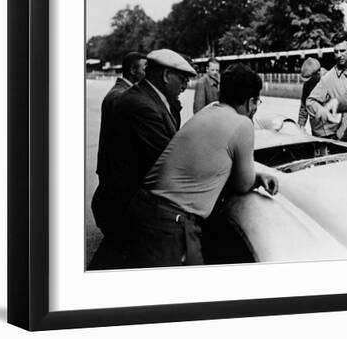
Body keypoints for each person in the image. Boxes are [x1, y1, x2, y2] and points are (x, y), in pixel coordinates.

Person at [126, 63, 279, 268]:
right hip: (171, 223)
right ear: (251, 102)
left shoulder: (209, 109)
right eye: (257, 102)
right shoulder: (243, 124)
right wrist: (256, 178)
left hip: (142, 208)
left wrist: (257, 177)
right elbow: (242, 184)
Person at [89, 49, 197, 269]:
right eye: (182, 79)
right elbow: (170, 159)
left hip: (129, 210)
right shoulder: (141, 105)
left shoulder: (150, 99)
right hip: (127, 214)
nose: (185, 86)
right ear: (166, 76)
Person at [95, 52, 147, 199]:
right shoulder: (121, 97)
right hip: (117, 175)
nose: (148, 73)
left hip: (115, 172)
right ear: (133, 70)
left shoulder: (120, 93)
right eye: (145, 68)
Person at [297, 57, 323, 134]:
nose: (308, 82)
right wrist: (301, 126)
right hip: (316, 129)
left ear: (317, 73)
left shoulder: (329, 79)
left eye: (310, 79)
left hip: (332, 129)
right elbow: (304, 106)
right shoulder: (307, 85)